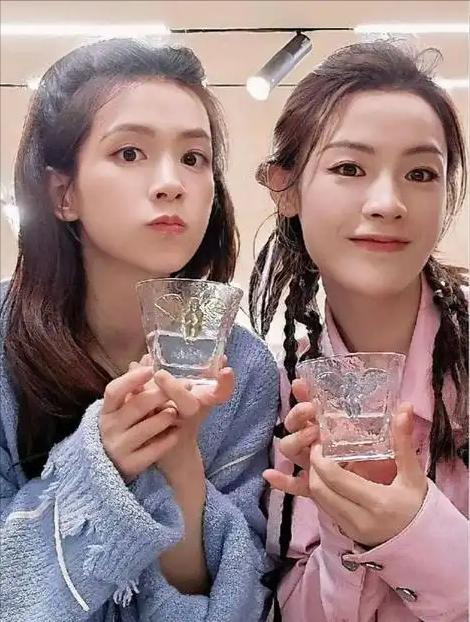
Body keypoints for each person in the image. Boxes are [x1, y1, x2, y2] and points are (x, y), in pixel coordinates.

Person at [0, 38, 279, 622]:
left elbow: (232, 603)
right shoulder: (5, 343)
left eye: (194, 158)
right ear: (63, 192)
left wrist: (182, 469)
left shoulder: (244, 369)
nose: (171, 182)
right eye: (130, 153)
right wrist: (100, 466)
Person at [249, 41, 468, 622]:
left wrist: (415, 533)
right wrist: (347, 530)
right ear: (285, 188)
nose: (388, 202)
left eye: (420, 173)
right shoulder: (272, 393)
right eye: (349, 168)